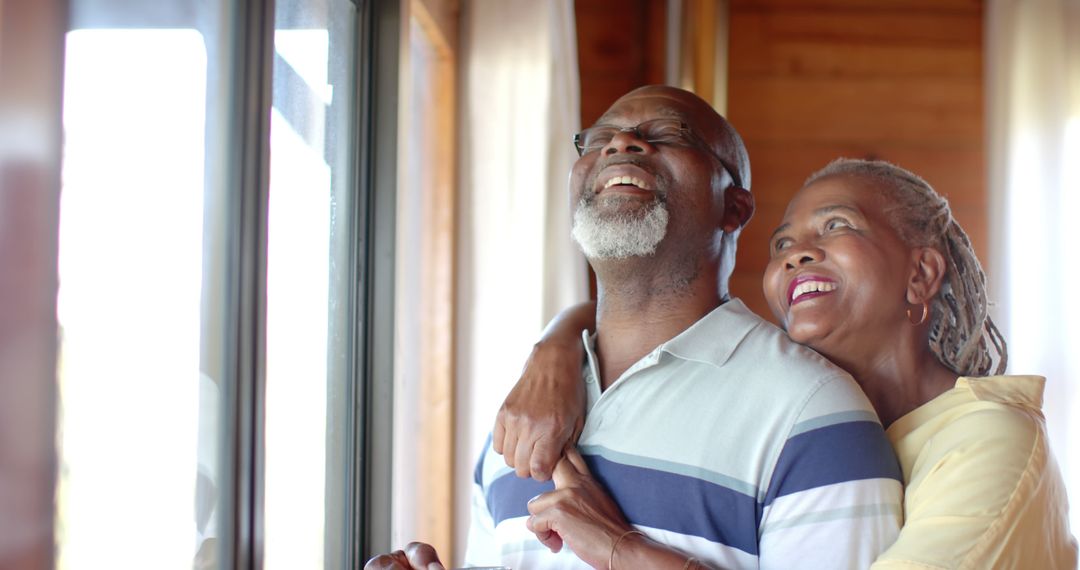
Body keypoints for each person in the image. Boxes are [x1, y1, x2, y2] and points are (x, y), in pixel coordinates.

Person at [367, 85, 903, 570]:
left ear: (733, 207)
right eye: (600, 137)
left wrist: (621, 548)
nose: (622, 142)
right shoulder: (517, 424)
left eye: (668, 134)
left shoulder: (814, 415)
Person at [496, 158, 1079, 568]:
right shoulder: (818, 422)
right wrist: (556, 346)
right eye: (780, 244)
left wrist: (620, 548)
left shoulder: (991, 441)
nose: (797, 252)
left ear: (921, 274)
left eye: (837, 225)